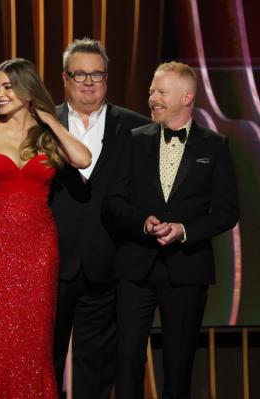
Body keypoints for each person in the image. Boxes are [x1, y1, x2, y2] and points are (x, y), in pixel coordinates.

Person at [103, 61, 239, 398]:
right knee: (126, 360)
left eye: (161, 92)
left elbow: (226, 213)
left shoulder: (215, 146)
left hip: (187, 269)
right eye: (151, 90)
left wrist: (183, 229)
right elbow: (113, 201)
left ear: (187, 96)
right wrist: (143, 223)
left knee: (179, 366)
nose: (152, 98)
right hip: (135, 268)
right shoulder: (133, 140)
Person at [0, 58, 91, 398]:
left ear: (27, 89)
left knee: (35, 341)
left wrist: (50, 119)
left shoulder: (47, 135)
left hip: (39, 249)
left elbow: (82, 159)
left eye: (7, 86)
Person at [49, 38, 149, 398]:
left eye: (97, 74)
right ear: (65, 78)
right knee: (46, 362)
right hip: (51, 264)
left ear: (107, 78)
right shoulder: (42, 125)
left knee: (97, 367)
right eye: (80, 74)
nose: (88, 82)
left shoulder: (136, 128)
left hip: (108, 264)